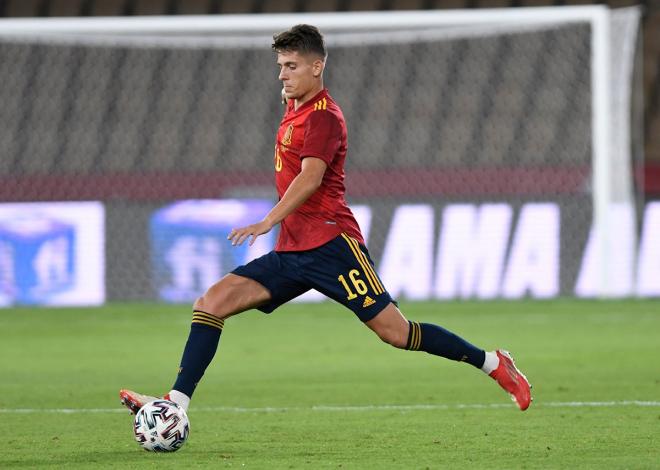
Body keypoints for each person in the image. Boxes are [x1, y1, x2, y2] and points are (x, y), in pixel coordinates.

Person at [120, 24, 531, 415]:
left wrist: (267, 220)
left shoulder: (323, 118)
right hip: (293, 251)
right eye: (280, 66)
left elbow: (311, 178)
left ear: (317, 66)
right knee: (210, 304)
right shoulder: (295, 107)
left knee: (396, 333)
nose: (282, 75)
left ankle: (492, 362)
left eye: (292, 66)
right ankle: (176, 402)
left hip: (333, 247)